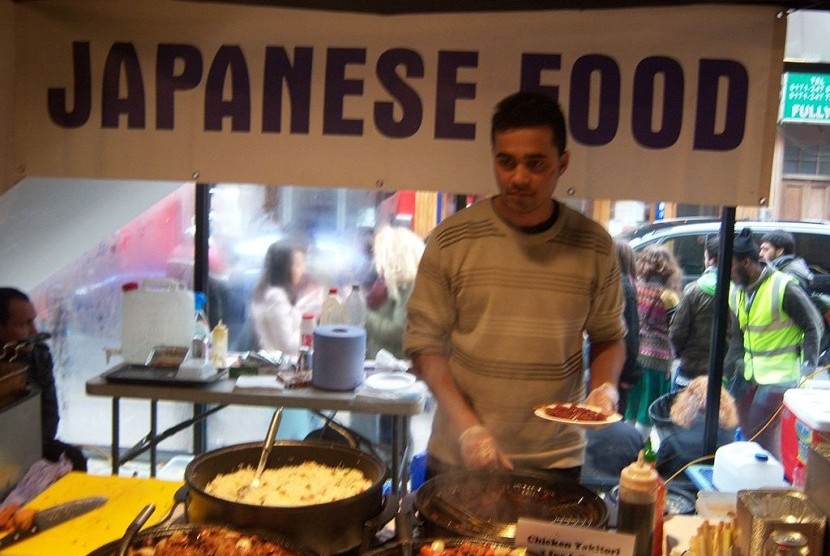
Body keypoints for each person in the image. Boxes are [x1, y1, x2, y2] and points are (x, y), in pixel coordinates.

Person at [403, 91, 625, 481]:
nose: (519, 177)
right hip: (457, 455)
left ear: (563, 163)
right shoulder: (451, 240)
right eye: (506, 162)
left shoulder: (594, 246)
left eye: (535, 164)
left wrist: (605, 390)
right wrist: (469, 428)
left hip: (556, 458)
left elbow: (609, 336)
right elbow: (424, 346)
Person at [727, 228, 824, 459]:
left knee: (759, 434)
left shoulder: (783, 287)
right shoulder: (737, 291)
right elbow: (738, 335)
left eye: (730, 267)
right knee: (738, 427)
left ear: (747, 263)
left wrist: (808, 371)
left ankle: (771, 484)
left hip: (780, 378)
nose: (727, 273)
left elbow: (814, 326)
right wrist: (729, 370)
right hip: (751, 375)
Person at [0, 287, 87, 471]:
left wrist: (30, 454)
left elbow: (49, 413)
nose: (34, 331)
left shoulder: (39, 355)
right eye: (23, 324)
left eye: (33, 322)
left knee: (74, 459)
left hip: (32, 444)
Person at [624, 244, 681, 441]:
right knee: (648, 411)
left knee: (631, 407)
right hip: (658, 360)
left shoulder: (635, 289)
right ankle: (639, 450)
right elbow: (675, 330)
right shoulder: (669, 297)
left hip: (635, 356)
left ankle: (627, 447)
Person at [759, 229, 830, 360]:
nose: (761, 254)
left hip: (783, 350)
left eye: (765, 249)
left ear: (779, 251)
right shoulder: (787, 270)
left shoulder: (788, 277)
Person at [669, 236, 729, 390]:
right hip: (724, 370)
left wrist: (680, 353)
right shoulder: (737, 292)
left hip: (691, 369)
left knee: (681, 410)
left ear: (711, 260)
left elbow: (677, 332)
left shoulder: (694, 290)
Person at [655, 376, 738, 479]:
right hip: (715, 493)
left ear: (684, 403)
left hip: (676, 492)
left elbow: (655, 473)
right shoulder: (732, 438)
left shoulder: (671, 440)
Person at [365, 226, 426, 361]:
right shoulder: (395, 284)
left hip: (397, 368)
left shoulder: (412, 286)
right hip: (385, 364)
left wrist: (363, 314)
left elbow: (397, 332)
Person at [250, 240, 321, 354]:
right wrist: (310, 324)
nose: (302, 270)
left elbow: (290, 316)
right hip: (277, 367)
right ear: (284, 268)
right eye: (298, 265)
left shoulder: (269, 292)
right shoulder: (275, 297)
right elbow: (288, 346)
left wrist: (308, 303)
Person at [614, 239, 641, 415]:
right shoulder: (626, 288)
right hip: (618, 369)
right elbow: (630, 335)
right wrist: (628, 374)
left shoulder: (610, 284)